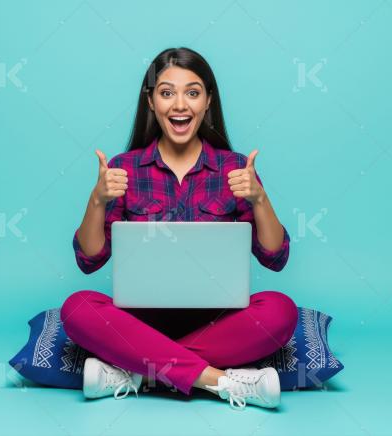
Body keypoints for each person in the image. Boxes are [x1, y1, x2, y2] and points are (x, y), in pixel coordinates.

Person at [61, 47, 298, 411]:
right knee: (77, 310)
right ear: (151, 102)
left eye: (192, 91)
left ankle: (134, 371)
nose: (179, 105)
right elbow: (89, 260)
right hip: (140, 321)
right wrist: (96, 199)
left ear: (207, 102)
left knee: (281, 311)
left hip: (216, 325)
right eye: (167, 92)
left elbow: (276, 257)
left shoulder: (234, 169)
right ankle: (218, 381)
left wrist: (259, 198)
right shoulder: (125, 169)